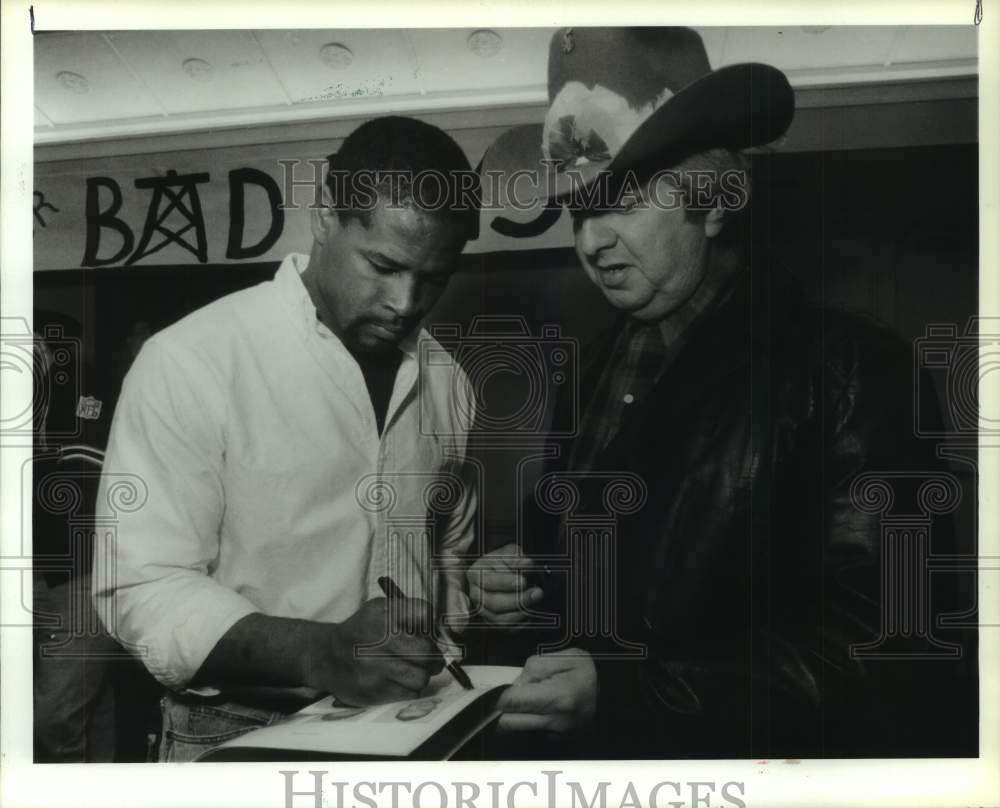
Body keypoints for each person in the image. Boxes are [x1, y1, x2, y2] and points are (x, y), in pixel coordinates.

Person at [472, 27, 975, 758]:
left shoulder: (853, 373)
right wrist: (518, 590)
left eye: (622, 203)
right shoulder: (586, 373)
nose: (591, 242)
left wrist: (629, 697)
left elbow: (890, 657)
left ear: (712, 204)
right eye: (580, 211)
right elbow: (588, 581)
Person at [94, 116, 482, 761]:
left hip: (415, 719)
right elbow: (140, 586)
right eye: (383, 266)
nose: (406, 302)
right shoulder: (192, 360)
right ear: (324, 217)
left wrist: (467, 599)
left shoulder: (450, 381)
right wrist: (318, 652)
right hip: (239, 728)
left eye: (434, 277)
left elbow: (448, 554)